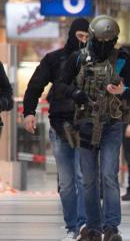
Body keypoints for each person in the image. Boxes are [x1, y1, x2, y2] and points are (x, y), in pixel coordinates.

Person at [59, 16, 130, 241]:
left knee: (109, 175)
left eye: (109, 40)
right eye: (100, 39)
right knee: (89, 178)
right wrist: (75, 93)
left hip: (112, 124)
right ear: (93, 37)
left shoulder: (122, 58)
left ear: (114, 39)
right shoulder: (79, 57)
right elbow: (61, 84)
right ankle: (93, 227)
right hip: (85, 124)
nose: (104, 44)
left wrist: (122, 91)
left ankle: (111, 227)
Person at [22, 18, 88, 241]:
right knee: (66, 183)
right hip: (59, 126)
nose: (83, 41)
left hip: (85, 126)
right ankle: (71, 226)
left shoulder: (93, 60)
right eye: (80, 36)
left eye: (88, 37)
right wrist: (29, 112)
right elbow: (34, 86)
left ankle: (83, 225)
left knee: (81, 177)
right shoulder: (54, 59)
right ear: (71, 35)